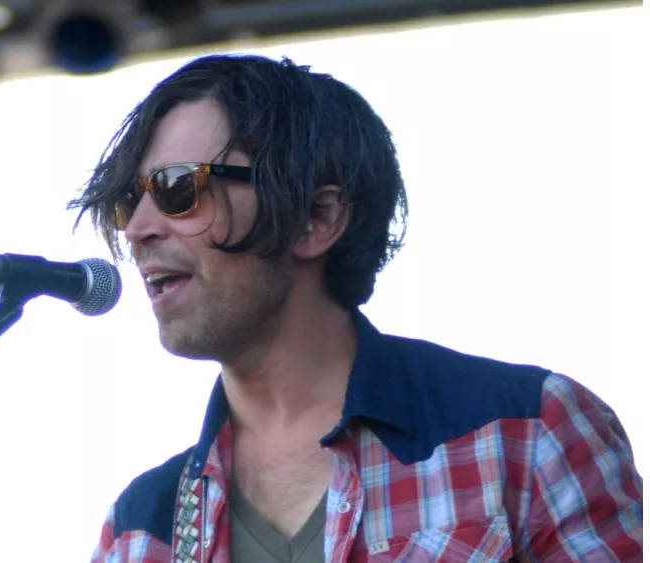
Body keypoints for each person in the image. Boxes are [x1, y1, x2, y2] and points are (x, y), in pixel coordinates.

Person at [67, 54, 643, 562]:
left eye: (177, 189)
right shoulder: (139, 532)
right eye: (129, 201)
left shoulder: (529, 433)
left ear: (317, 218)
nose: (138, 229)